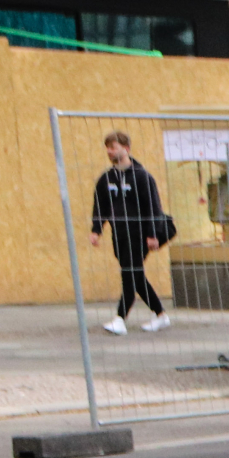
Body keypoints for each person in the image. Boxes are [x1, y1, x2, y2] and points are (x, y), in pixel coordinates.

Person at [89, 131, 169, 336]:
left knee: (129, 273)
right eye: (107, 147)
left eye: (113, 147)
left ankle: (120, 318)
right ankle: (160, 315)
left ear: (126, 149)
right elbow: (101, 206)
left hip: (139, 234)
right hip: (120, 234)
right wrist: (96, 230)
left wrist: (153, 234)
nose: (109, 151)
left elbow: (153, 206)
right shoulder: (106, 179)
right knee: (135, 274)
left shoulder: (142, 176)